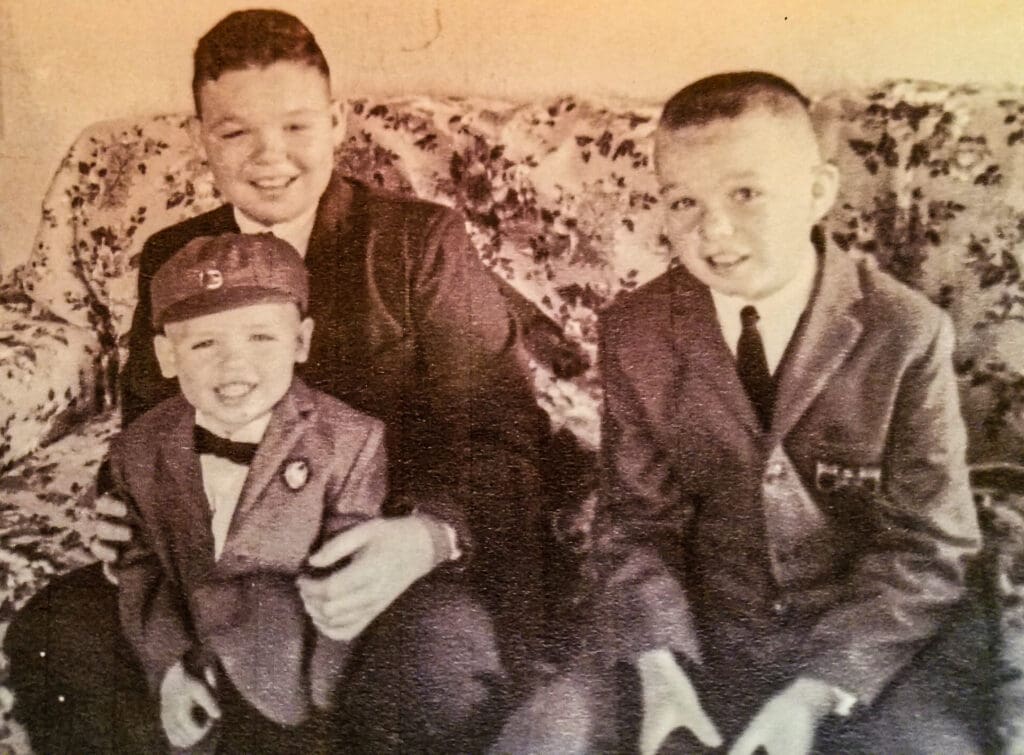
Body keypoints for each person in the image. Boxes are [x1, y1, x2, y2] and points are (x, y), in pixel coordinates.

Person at [6, 10, 552, 752]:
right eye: (236, 132)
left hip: (368, 563)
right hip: (214, 566)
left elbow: (508, 435)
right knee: (55, 632)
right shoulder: (172, 254)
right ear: (202, 137)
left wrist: (428, 536)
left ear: (336, 122)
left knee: (438, 663)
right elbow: (147, 426)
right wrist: (118, 507)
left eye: (296, 126)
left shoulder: (417, 243)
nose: (271, 157)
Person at [493, 71, 984, 754]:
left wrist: (815, 693)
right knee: (546, 737)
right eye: (683, 202)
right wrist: (661, 667)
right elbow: (635, 524)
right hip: (693, 641)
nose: (713, 230)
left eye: (746, 194)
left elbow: (928, 546)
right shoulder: (636, 331)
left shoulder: (905, 331)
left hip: (864, 652)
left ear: (818, 192)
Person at [114, 232, 388, 752]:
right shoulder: (138, 448)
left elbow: (352, 584)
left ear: (301, 342)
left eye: (260, 337)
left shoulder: (351, 441)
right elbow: (142, 564)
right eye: (204, 344)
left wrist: (328, 710)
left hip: (297, 684)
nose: (234, 365)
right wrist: (169, 667)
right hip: (196, 674)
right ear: (167, 355)